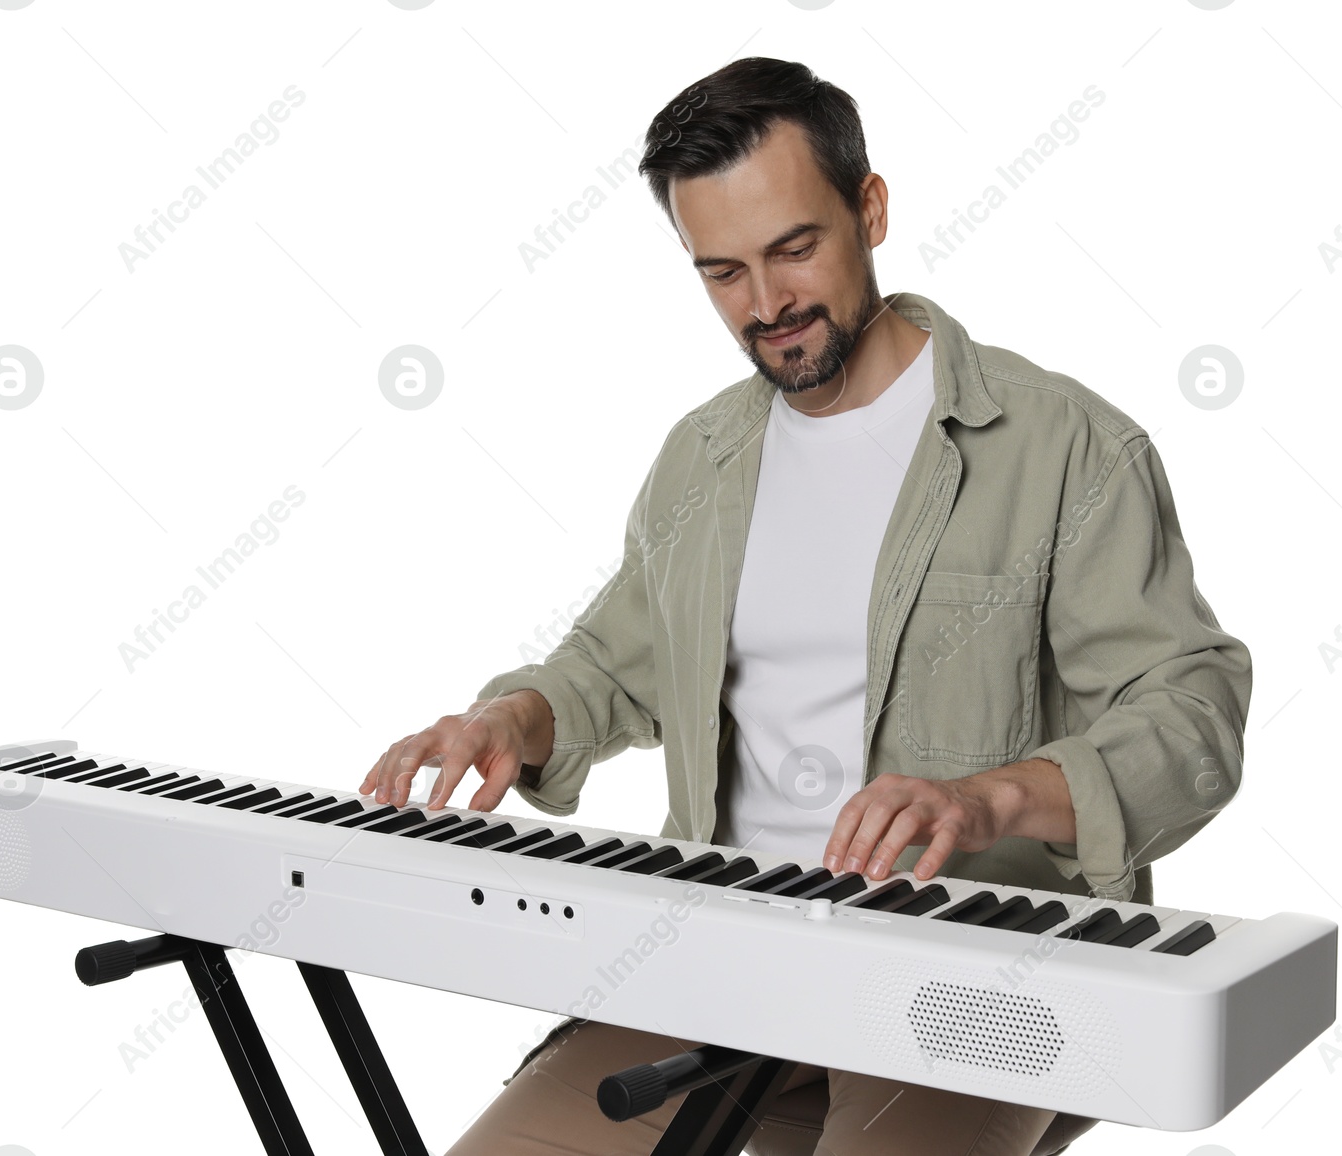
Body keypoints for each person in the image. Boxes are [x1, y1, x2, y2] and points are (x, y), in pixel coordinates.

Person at [359, 57, 1251, 1156]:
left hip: (972, 973)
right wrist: (511, 720)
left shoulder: (1067, 446)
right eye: (722, 272)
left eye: (794, 250)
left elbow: (1192, 709)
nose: (767, 305)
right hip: (710, 959)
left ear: (868, 209)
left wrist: (984, 804)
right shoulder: (702, 458)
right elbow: (611, 664)